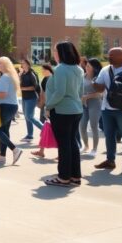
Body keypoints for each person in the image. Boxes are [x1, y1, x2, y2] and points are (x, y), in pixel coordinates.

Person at [92, 47, 122, 175]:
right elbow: (99, 88)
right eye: (109, 55)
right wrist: (95, 82)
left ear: (121, 57)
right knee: (109, 136)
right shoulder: (105, 69)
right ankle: (110, 161)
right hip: (107, 109)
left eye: (111, 56)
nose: (109, 58)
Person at [43, 41, 84, 187]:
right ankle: (75, 175)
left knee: (64, 145)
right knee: (72, 143)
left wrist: (48, 106)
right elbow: (80, 92)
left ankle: (64, 177)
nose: (54, 53)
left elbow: (60, 92)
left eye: (55, 51)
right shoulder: (78, 69)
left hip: (62, 110)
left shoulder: (60, 69)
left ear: (61, 53)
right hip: (76, 109)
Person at [0, 57, 23, 165]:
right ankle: (2, 155)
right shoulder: (10, 76)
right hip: (11, 106)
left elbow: (3, 94)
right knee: (4, 131)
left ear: (4, 65)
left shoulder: (5, 77)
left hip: (6, 106)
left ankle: (15, 149)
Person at [80, 58, 103, 156]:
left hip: (95, 104)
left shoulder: (98, 78)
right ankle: (85, 146)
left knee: (94, 126)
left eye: (89, 66)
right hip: (83, 104)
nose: (86, 67)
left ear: (94, 68)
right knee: (82, 126)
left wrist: (87, 96)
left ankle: (94, 149)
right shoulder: (82, 76)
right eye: (86, 65)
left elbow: (100, 94)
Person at [19, 58, 43, 142]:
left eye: (24, 63)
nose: (22, 65)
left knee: (29, 116)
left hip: (31, 98)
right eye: (22, 63)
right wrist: (19, 75)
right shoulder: (23, 74)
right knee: (27, 117)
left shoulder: (32, 74)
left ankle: (45, 129)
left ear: (28, 64)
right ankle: (30, 135)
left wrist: (23, 88)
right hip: (24, 98)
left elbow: (35, 86)